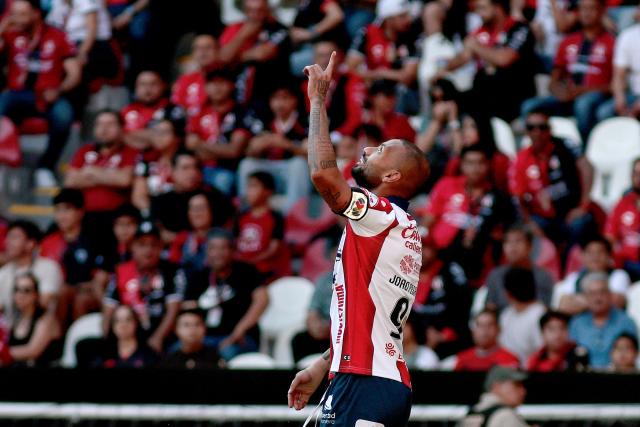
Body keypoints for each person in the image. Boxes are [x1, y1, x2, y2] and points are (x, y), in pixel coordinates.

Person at [288, 52, 430, 426]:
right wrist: (324, 365)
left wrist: (317, 102)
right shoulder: (394, 225)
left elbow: (324, 178)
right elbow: (368, 317)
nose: (367, 150)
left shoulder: (381, 215)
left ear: (394, 177)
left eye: (380, 151)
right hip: (360, 377)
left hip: (367, 384)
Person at [0, 0, 82, 188]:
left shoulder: (58, 35)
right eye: (12, 14)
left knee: (64, 115)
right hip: (16, 94)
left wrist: (59, 90)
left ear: (36, 13)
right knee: (1, 103)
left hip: (49, 94)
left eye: (21, 14)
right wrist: (2, 28)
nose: (16, 19)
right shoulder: (10, 34)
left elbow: (74, 73)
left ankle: (45, 167)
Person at [520, 0, 615, 142]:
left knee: (583, 105)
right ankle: (531, 155)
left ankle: (585, 151)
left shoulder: (612, 42)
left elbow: (615, 86)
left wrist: (582, 91)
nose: (586, 13)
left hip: (595, 97)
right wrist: (560, 92)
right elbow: (553, 81)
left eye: (591, 9)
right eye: (582, 9)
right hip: (567, 97)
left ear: (602, 11)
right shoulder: (568, 42)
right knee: (529, 106)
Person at [420, 145, 515, 284]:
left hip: (474, 260)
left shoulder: (498, 198)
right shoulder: (446, 184)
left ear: (488, 165)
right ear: (462, 165)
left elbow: (501, 235)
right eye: (470, 163)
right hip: (437, 255)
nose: (475, 168)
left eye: (480, 162)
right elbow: (428, 221)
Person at [508, 109, 594, 251]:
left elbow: (587, 169)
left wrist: (583, 205)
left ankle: (572, 266)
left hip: (571, 212)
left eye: (542, 127)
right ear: (526, 132)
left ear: (550, 129)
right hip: (542, 218)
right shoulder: (520, 159)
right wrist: (529, 223)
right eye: (531, 128)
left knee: (581, 223)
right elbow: (518, 198)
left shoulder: (566, 145)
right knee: (523, 231)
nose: (537, 132)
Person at [436, 0, 536, 122]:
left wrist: (476, 47)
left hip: (512, 93)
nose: (479, 13)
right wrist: (443, 68)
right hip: (485, 93)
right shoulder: (481, 32)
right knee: (447, 94)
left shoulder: (519, 28)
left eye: (482, 8)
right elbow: (464, 57)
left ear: (497, 7)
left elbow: (505, 59)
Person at [182, 229, 268, 361]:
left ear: (232, 251)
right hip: (204, 339)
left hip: (240, 337)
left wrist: (239, 330)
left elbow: (262, 300)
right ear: (206, 252)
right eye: (213, 248)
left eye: (223, 248)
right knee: (175, 352)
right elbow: (188, 309)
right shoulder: (199, 276)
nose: (218, 254)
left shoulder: (246, 271)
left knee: (223, 355)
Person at [102, 222, 185, 352]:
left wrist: (158, 338)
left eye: (153, 245)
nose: (148, 250)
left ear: (161, 247)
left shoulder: (172, 271)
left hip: (163, 336)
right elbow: (108, 311)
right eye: (142, 245)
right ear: (133, 247)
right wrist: (106, 342)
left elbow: (172, 310)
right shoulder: (121, 271)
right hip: (129, 336)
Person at [64, 109, 138, 243]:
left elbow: (124, 180)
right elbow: (70, 181)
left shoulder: (130, 152)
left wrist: (91, 171)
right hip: (85, 218)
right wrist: (109, 177)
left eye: (110, 124)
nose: (104, 129)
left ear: (122, 128)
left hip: (116, 220)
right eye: (100, 124)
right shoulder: (84, 151)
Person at [185, 68, 260, 195]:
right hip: (198, 168)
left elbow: (233, 151)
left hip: (227, 170)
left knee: (222, 180)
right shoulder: (198, 113)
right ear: (206, 87)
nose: (217, 87)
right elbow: (190, 145)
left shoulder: (241, 113)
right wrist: (219, 150)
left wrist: (201, 145)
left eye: (222, 83)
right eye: (212, 83)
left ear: (232, 85)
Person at [238, 82, 310, 212]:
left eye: (285, 98)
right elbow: (248, 152)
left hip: (290, 170)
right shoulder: (264, 121)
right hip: (268, 168)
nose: (280, 103)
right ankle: (246, 213)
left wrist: (287, 145)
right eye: (275, 99)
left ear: (295, 100)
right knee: (247, 164)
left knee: (299, 164)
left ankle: (294, 214)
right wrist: (257, 148)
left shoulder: (305, 121)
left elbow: (312, 156)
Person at [40, 188, 109, 323]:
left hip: (89, 292)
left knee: (80, 299)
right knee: (62, 293)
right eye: (58, 210)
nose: (61, 215)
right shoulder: (48, 241)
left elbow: (100, 278)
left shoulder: (95, 239)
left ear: (80, 212)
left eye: (67, 209)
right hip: (57, 292)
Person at [345, 0, 419, 113]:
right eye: (402, 16)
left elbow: (408, 77)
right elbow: (351, 68)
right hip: (373, 88)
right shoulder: (367, 33)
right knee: (354, 85)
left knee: (401, 91)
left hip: (399, 92)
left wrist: (381, 72)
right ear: (388, 19)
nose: (408, 19)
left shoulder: (411, 36)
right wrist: (380, 74)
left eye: (407, 15)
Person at [150, 150, 234, 242]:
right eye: (185, 168)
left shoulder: (214, 197)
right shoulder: (161, 202)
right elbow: (162, 235)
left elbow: (226, 229)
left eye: (196, 167)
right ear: (172, 171)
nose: (192, 172)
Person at [218, 0, 291, 106]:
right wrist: (243, 35)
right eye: (250, 11)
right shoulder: (235, 29)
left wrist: (234, 58)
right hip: (237, 94)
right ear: (245, 12)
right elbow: (223, 58)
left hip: (267, 94)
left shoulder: (279, 29)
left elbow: (262, 54)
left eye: (259, 10)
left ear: (267, 10)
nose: (255, 15)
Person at [412, 234, 473, 359]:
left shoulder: (449, 271)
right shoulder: (403, 273)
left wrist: (445, 333)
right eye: (415, 247)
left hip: (450, 340)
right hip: (415, 343)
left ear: (434, 250)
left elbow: (463, 304)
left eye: (425, 247)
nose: (420, 252)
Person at [302, 39, 366, 145]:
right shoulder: (304, 84)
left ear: (340, 57)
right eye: (321, 56)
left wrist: (337, 136)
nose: (326, 60)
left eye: (330, 56)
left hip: (342, 139)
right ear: (314, 59)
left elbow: (356, 116)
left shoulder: (351, 80)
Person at [569, 272, 638, 368]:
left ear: (610, 295)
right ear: (585, 297)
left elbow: (633, 356)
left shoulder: (626, 322)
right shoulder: (577, 323)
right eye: (592, 293)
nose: (598, 298)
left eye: (602, 292)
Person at [0, 220, 63, 322]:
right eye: (8, 237)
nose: (7, 242)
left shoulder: (48, 267)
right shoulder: (3, 273)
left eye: (14, 238)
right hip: (10, 332)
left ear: (30, 243)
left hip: (40, 328)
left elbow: (44, 303)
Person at [554, 235, 630, 314]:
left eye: (600, 252)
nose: (595, 256)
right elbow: (564, 306)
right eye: (590, 252)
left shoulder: (619, 275)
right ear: (582, 256)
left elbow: (617, 302)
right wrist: (600, 301)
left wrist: (578, 301)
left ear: (609, 256)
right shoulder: (574, 277)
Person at [235, 171, 289, 280]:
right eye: (248, 187)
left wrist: (250, 261)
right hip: (241, 269)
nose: (249, 191)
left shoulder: (276, 218)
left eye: (254, 186)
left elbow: (274, 249)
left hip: (265, 271)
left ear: (268, 191)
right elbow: (235, 242)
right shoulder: (241, 216)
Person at [131, 115, 185, 213]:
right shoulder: (146, 161)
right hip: (154, 214)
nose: (159, 136)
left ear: (177, 137)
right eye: (156, 132)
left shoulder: (186, 161)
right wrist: (155, 215)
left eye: (164, 132)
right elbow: (138, 197)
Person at [7, 273, 61, 367]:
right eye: (17, 290)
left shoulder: (46, 318)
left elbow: (32, 351)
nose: (20, 295)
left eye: (26, 290)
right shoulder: (15, 319)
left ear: (36, 295)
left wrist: (3, 352)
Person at [597, 3, 640, 119]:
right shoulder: (627, 36)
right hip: (633, 95)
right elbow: (618, 75)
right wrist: (620, 100)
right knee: (605, 112)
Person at [498, 268, 546, 365]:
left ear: (507, 293)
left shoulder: (540, 314)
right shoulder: (506, 315)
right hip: (504, 371)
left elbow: (543, 351)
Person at [458, 366, 529, 427]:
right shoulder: (505, 416)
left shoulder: (471, 414)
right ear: (496, 387)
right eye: (517, 385)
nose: (523, 391)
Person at [605, 158, 640, 280]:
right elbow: (610, 236)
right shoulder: (623, 203)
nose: (638, 177)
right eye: (635, 173)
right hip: (624, 263)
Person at [93, 304, 158, 368]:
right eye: (118, 320)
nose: (123, 325)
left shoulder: (149, 356)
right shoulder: (104, 357)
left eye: (128, 319)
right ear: (112, 326)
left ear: (136, 323)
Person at [171, 33, 219, 118]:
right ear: (193, 53)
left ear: (218, 50)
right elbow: (177, 110)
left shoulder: (228, 79)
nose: (203, 52)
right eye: (198, 48)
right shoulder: (185, 80)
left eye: (208, 47)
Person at [454, 309, 520, 371]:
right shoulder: (463, 358)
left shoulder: (509, 360)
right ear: (473, 331)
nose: (484, 330)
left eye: (490, 325)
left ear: (498, 329)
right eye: (480, 325)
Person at [168, 192, 214, 278]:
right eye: (193, 209)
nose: (197, 213)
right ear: (188, 213)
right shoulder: (181, 238)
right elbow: (173, 266)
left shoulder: (220, 238)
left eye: (201, 208)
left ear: (211, 210)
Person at [120, 70, 170, 149]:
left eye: (153, 84)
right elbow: (118, 137)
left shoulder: (170, 109)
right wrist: (151, 134)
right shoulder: (126, 111)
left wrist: (131, 134)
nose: (147, 89)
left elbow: (163, 142)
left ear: (163, 86)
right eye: (143, 84)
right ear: (136, 87)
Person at [291, 271, 333, 363]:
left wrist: (331, 327)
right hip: (324, 329)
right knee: (299, 340)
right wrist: (315, 328)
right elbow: (312, 310)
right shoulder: (324, 280)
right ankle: (303, 374)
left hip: (343, 331)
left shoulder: (359, 279)